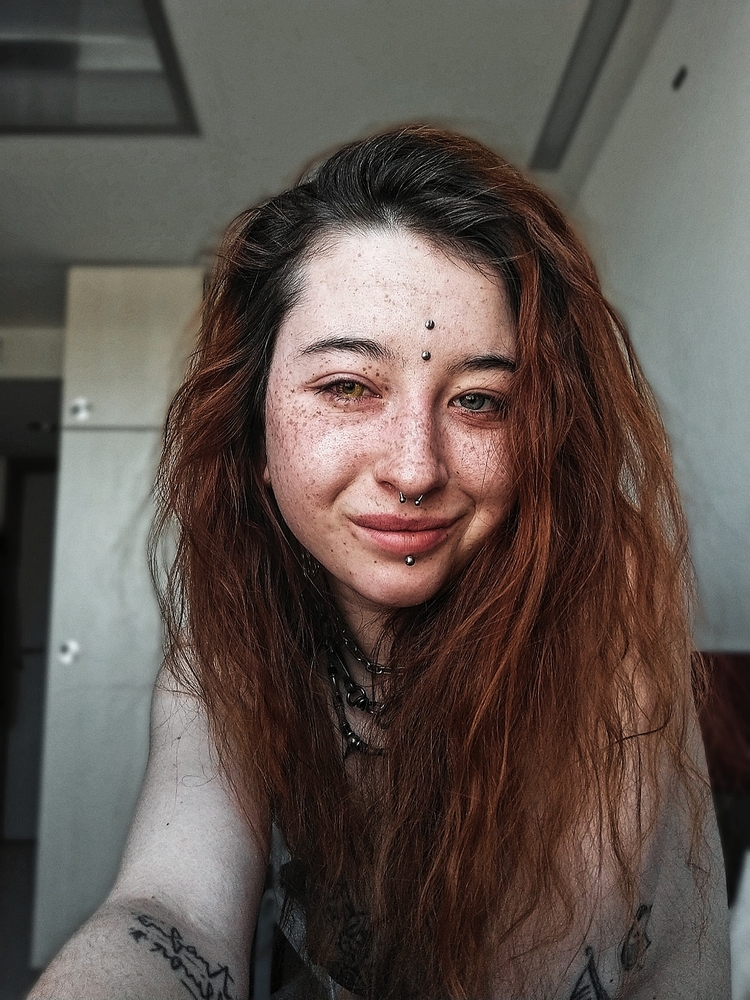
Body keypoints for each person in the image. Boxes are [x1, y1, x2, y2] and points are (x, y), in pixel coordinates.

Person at [29, 126, 730, 1000]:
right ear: (253, 435)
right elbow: (175, 907)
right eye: (348, 387)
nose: (415, 469)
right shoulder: (238, 633)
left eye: (481, 401)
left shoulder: (599, 608)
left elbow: (541, 966)